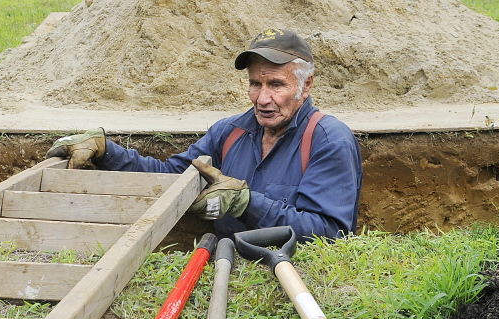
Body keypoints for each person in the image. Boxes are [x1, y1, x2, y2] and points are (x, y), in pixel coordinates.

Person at [46, 28, 363, 242]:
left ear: (305, 86)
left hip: (285, 283)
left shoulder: (328, 141)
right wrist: (107, 151)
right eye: (255, 83)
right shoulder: (230, 132)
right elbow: (174, 178)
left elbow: (330, 234)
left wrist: (245, 203)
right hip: (222, 268)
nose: (262, 98)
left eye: (276, 85)